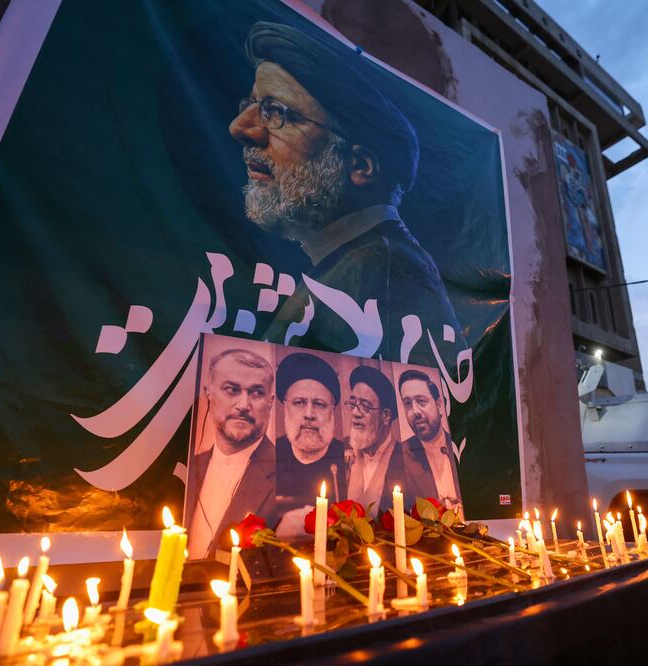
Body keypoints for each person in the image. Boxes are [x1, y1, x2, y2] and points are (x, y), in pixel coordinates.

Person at [231, 21, 465, 367]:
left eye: (276, 112)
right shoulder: (349, 263)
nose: (240, 127)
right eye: (251, 105)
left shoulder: (373, 270)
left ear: (360, 166)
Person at [185, 348, 276, 559]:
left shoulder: (289, 475)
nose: (244, 405)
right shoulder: (190, 466)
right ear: (209, 392)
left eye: (256, 393)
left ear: (270, 401)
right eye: (232, 389)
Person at [274, 352, 347, 519]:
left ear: (332, 411)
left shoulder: (349, 461)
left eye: (319, 404)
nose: (309, 414)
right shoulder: (269, 456)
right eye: (299, 402)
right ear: (286, 408)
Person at [391, 369, 462, 514]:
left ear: (440, 406)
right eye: (408, 404)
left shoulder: (460, 447)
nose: (415, 411)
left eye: (421, 401)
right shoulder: (399, 456)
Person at [344, 366, 399, 512]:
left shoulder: (404, 457)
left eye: (365, 406)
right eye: (353, 404)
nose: (355, 413)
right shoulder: (340, 448)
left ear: (386, 416)